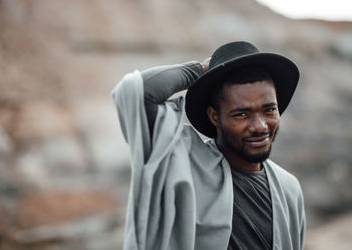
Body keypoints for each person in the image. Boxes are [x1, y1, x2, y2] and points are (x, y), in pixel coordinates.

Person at [112, 41, 305, 250]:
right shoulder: (184, 163)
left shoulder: (289, 188)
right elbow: (136, 94)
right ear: (215, 116)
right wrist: (199, 71)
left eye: (269, 110)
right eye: (242, 114)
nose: (259, 126)